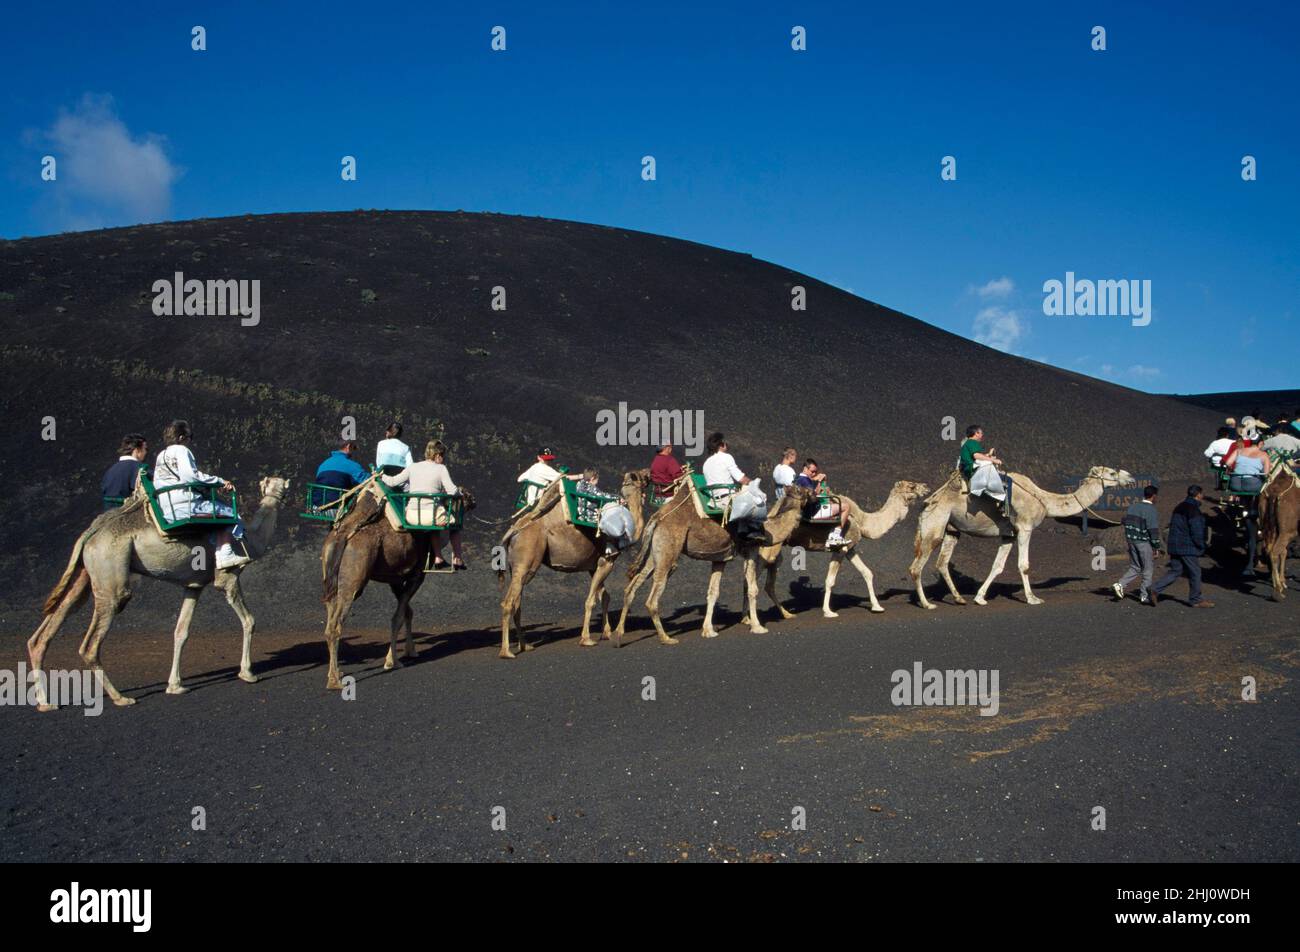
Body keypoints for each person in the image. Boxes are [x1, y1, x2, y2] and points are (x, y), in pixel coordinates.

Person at [152, 420, 248, 570]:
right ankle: (225, 555)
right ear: (182, 437)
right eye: (190, 437)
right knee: (232, 515)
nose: (190, 441)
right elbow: (190, 477)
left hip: (168, 509)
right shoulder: (182, 450)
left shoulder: (161, 455)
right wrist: (220, 482)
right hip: (188, 505)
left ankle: (209, 555)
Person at [382, 440, 467, 570]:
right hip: (431, 516)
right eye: (443, 456)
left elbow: (392, 482)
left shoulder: (413, 467)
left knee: (433, 526)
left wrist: (381, 476)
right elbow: (452, 491)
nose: (443, 460)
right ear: (438, 455)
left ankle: (438, 558)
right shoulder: (441, 468)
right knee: (455, 525)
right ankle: (458, 558)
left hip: (411, 516)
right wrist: (459, 493)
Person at [1150, 485, 1213, 608]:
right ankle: (1196, 599)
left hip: (1174, 544)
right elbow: (1197, 530)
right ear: (1198, 495)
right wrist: (1202, 545)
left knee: (1176, 570)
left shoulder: (1179, 507)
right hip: (1187, 546)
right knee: (1195, 572)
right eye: (1202, 494)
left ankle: (1154, 589)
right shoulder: (1193, 510)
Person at [701, 432, 764, 541]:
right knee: (757, 496)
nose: (726, 445)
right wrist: (753, 483)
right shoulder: (726, 457)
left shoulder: (706, 463)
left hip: (714, 502)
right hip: (728, 500)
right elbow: (742, 479)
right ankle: (751, 531)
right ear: (721, 445)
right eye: (725, 442)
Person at [1112, 485, 1162, 604]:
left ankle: (1120, 584)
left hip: (1131, 541)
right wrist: (1156, 546)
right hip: (1143, 542)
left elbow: (1126, 522)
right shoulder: (1151, 510)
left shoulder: (1133, 506)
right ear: (1154, 496)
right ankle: (1144, 596)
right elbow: (1153, 530)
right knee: (1148, 570)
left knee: (1136, 567)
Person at [577, 468, 635, 556]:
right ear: (592, 479)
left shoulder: (579, 483)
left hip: (582, 512)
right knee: (610, 519)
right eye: (597, 480)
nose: (597, 482)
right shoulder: (591, 488)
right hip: (590, 515)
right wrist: (618, 498)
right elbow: (603, 496)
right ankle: (615, 544)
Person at [794, 458, 850, 546]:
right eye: (812, 471)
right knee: (846, 507)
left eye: (815, 472)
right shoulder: (804, 480)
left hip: (808, 511)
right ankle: (835, 536)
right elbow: (813, 495)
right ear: (805, 468)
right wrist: (820, 482)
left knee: (832, 504)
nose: (814, 474)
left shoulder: (799, 479)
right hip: (814, 512)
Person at [313, 440, 369, 508]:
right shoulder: (351, 465)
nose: (354, 452)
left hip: (316, 507)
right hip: (335, 508)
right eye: (354, 448)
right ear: (348, 447)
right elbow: (367, 481)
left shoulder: (323, 464)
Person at [959, 425, 1006, 504]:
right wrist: (993, 460)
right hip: (974, 472)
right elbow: (976, 456)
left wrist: (988, 454)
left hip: (969, 470)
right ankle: (1005, 508)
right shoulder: (972, 442)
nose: (982, 435)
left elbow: (975, 457)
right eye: (981, 433)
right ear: (976, 433)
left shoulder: (967, 444)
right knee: (1007, 480)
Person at [1222, 423, 1271, 494]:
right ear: (1260, 443)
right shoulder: (1264, 455)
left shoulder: (1239, 450)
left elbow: (1228, 463)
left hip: (1235, 484)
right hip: (1252, 484)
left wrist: (1235, 471)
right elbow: (1266, 474)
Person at [101, 433, 148, 505]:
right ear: (137, 450)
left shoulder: (109, 471)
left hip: (110, 513)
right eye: (145, 449)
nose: (146, 452)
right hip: (130, 512)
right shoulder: (139, 468)